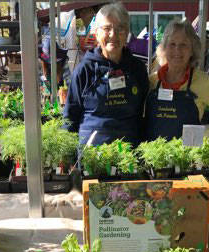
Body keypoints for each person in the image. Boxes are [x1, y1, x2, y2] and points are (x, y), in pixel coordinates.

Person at [63, 3, 148, 147]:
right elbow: (70, 117)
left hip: (130, 158)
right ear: (96, 33)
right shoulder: (84, 70)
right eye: (107, 28)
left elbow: (144, 114)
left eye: (120, 29)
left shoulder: (137, 69)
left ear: (127, 32)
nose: (113, 35)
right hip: (92, 157)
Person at [145, 19, 209, 141]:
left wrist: (204, 138)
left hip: (188, 157)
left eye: (183, 45)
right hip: (153, 157)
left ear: (192, 50)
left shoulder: (204, 82)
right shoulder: (151, 81)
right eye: (172, 44)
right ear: (165, 48)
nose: (177, 50)